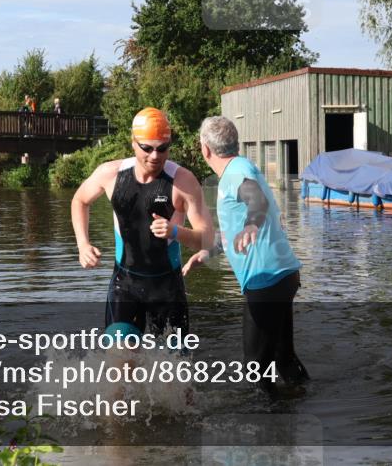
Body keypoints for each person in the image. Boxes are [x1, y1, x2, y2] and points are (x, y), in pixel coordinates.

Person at [184, 115, 309, 390]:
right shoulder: (243, 167)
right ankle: (299, 408)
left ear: (204, 149)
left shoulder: (236, 174)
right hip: (283, 275)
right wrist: (209, 251)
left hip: (265, 280)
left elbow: (257, 200)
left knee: (254, 366)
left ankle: (267, 425)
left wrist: (252, 222)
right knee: (282, 357)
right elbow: (235, 229)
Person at [71, 107, 213, 336]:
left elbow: (206, 239)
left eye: (162, 148)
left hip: (167, 288)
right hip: (125, 284)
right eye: (146, 148)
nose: (155, 156)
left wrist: (175, 232)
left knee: (173, 369)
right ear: (133, 143)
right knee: (121, 362)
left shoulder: (183, 182)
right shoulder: (111, 174)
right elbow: (79, 200)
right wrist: (83, 244)